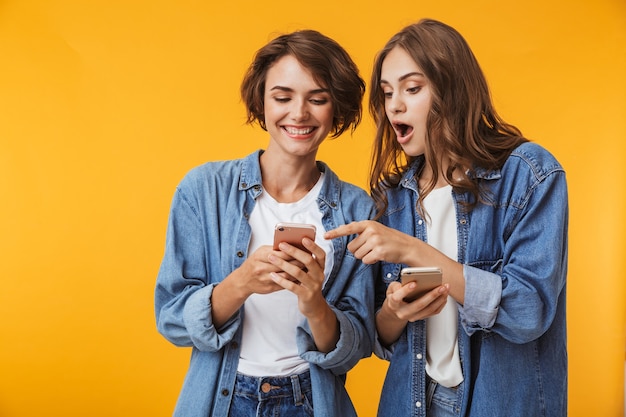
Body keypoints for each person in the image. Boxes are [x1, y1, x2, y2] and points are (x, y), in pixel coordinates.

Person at [325, 19, 568, 417]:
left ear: (452, 90)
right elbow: (380, 336)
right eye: (387, 94)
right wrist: (393, 312)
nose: (395, 106)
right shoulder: (393, 197)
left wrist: (414, 250)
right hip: (413, 402)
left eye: (412, 88)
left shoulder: (529, 174)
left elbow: (529, 311)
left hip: (499, 403)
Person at [154, 30, 377, 417]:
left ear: (336, 109)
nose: (299, 113)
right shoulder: (203, 190)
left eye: (318, 99)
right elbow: (172, 318)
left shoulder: (358, 210)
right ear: (261, 101)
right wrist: (240, 284)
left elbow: (353, 349)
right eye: (283, 97)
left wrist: (314, 303)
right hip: (221, 400)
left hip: (312, 402)